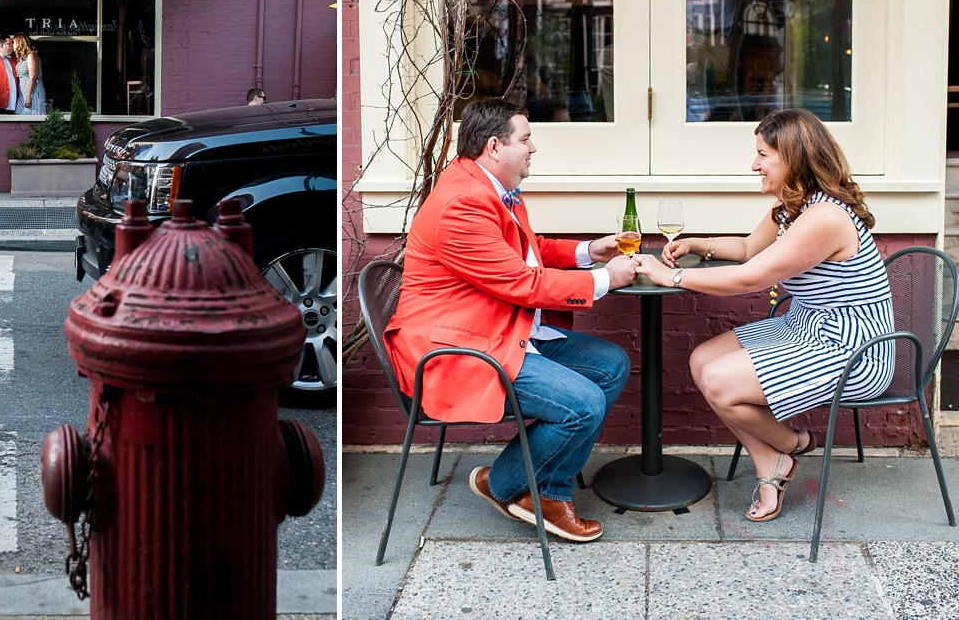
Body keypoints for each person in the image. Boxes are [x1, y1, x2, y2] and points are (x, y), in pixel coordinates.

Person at [383, 98, 637, 542]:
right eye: (526, 139)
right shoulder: (463, 202)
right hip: (456, 347)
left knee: (610, 364)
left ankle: (548, 492)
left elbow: (525, 249)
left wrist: (588, 252)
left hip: (495, 325)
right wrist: (605, 280)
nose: (533, 148)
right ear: (495, 146)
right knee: (582, 405)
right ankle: (502, 485)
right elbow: (520, 281)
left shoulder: (489, 186)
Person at [634, 108, 893, 522]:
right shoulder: (794, 207)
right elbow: (750, 248)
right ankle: (777, 460)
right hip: (806, 324)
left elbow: (748, 278)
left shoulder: (824, 217)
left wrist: (672, 278)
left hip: (853, 347)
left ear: (792, 157)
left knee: (719, 381)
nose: (754, 164)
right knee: (701, 360)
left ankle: (790, 447)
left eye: (763, 154)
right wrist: (701, 243)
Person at [12, 33, 46, 115]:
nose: (13, 45)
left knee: (32, 116)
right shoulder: (22, 58)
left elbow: (33, 77)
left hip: (33, 91)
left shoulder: (31, 56)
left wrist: (28, 96)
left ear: (20, 43)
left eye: (14, 42)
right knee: (19, 114)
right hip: (23, 91)